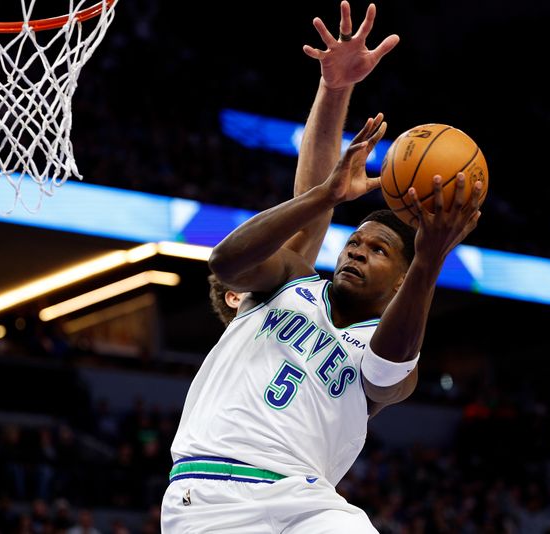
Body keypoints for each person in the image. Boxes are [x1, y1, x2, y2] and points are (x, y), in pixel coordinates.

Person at [161, 6, 482, 534]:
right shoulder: (290, 284)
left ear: (403, 281)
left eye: (378, 251)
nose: (356, 251)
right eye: (353, 242)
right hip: (215, 492)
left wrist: (429, 261)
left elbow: (388, 368)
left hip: (310, 503)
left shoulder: (389, 346)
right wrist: (327, 175)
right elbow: (227, 261)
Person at [207, 0, 399, 328]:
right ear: (236, 296)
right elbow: (309, 215)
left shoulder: (326, 322)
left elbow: (310, 214)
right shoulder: (263, 301)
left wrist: (335, 88)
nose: (290, 252)